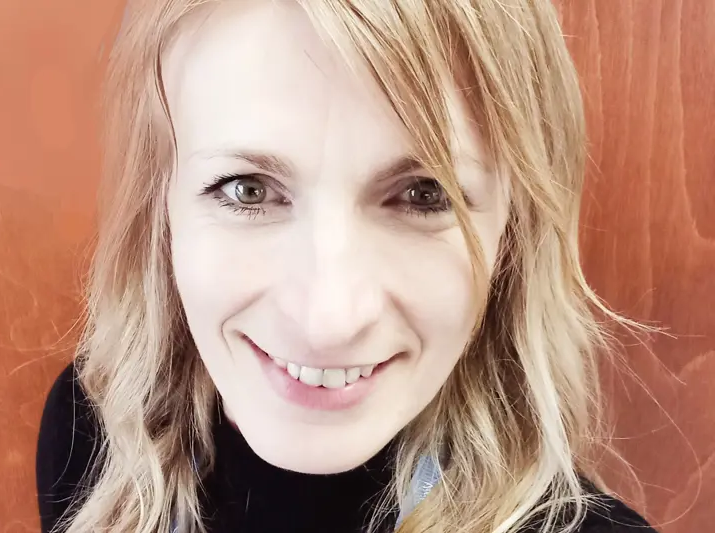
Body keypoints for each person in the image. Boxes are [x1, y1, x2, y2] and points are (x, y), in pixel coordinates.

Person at [36, 1, 660, 532]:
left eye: (424, 194)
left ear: (514, 231)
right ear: (162, 205)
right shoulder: (97, 434)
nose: (327, 321)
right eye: (248, 189)